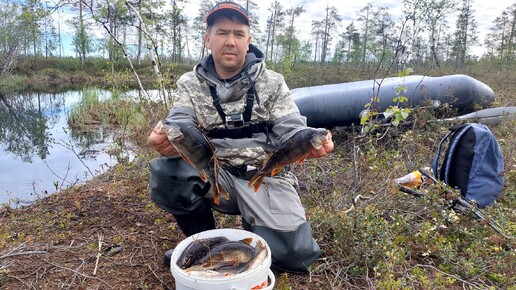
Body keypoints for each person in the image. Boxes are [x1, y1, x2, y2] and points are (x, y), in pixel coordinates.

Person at [147, 1, 334, 273]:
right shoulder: (190, 82)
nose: (230, 41)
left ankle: (257, 224)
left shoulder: (272, 82)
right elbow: (180, 120)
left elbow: (291, 128)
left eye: (238, 33)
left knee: (294, 256)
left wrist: (309, 142)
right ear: (208, 39)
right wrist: (166, 136)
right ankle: (204, 246)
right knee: (168, 172)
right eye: (222, 33)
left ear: (249, 40)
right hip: (216, 173)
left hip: (265, 175)